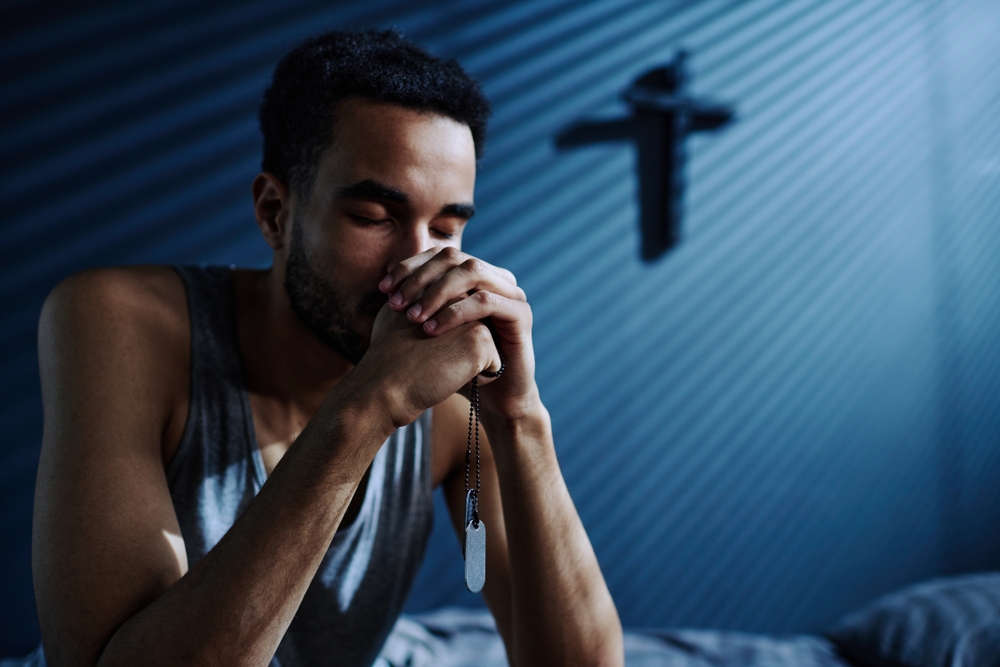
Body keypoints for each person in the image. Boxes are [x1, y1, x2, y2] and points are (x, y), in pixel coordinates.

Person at [31, 29, 623, 667]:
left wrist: (519, 414)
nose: (418, 262)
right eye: (373, 217)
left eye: (447, 229)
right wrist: (369, 405)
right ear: (274, 213)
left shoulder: (455, 393)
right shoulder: (124, 322)